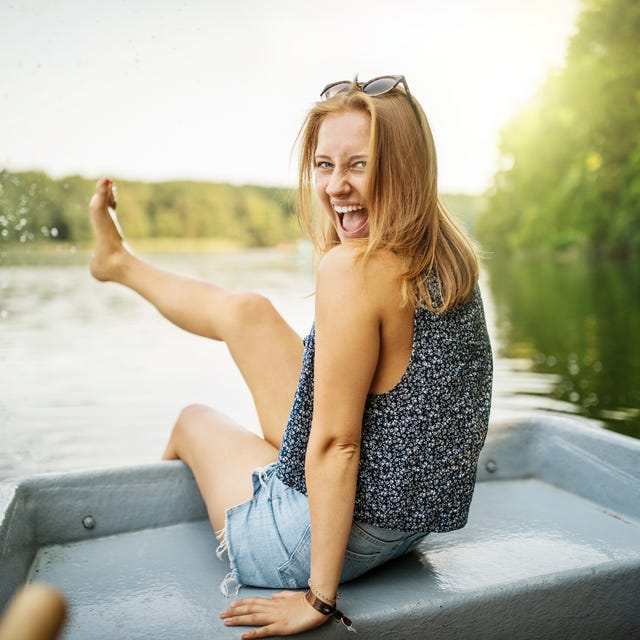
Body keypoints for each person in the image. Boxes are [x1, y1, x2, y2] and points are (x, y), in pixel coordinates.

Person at [89, 75, 493, 639]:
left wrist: (319, 599)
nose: (336, 187)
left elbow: (337, 445)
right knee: (249, 311)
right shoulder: (448, 252)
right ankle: (119, 262)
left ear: (406, 170)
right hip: (407, 519)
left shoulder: (352, 270)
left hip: (313, 543)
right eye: (325, 166)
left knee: (194, 420)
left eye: (359, 165)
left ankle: (173, 522)